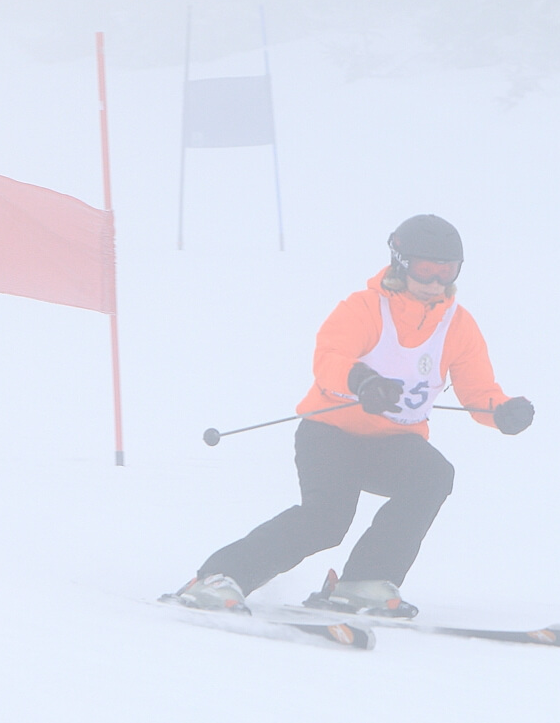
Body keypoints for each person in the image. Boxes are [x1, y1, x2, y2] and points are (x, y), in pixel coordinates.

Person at [175, 214, 534, 617]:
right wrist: (363, 382)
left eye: (446, 271)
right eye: (425, 270)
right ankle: (218, 577)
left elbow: (478, 390)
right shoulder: (364, 308)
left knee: (434, 474)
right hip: (331, 434)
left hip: (394, 442)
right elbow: (330, 359)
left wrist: (502, 411)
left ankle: (364, 582)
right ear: (401, 263)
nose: (435, 282)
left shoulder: (458, 325)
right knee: (326, 521)